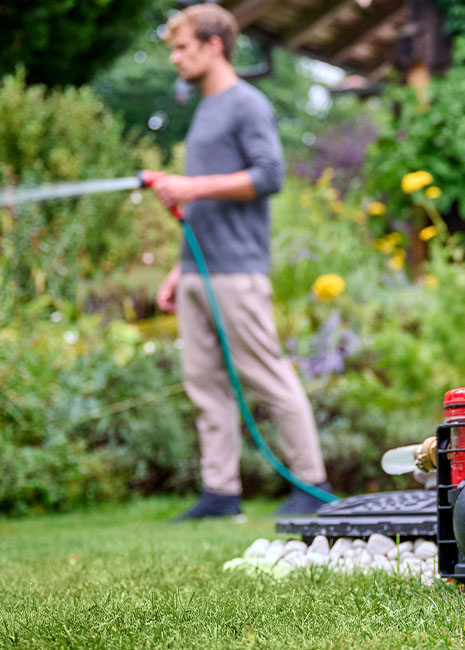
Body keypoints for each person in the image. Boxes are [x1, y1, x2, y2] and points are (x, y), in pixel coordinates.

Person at [151, 3, 330, 519]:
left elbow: (270, 174)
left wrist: (190, 186)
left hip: (237, 272)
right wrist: (179, 268)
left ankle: (312, 487)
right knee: (204, 383)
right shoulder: (206, 108)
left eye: (182, 48)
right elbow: (203, 206)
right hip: (199, 268)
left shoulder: (246, 103)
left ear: (213, 45)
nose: (176, 59)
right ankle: (220, 493)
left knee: (267, 374)